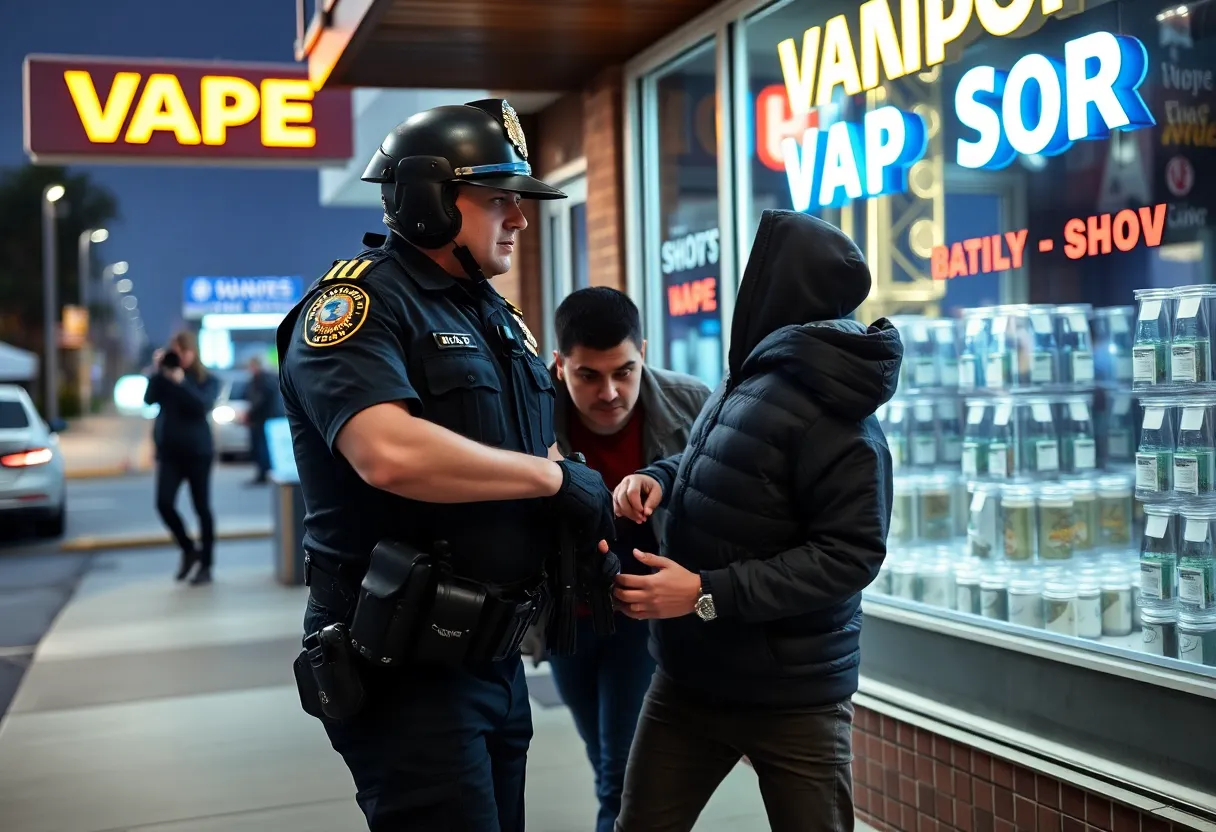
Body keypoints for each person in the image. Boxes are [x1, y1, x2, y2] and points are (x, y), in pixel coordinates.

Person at [276, 99, 617, 832]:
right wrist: (553, 480)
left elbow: (529, 445)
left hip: (489, 654)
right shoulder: (356, 306)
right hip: (404, 665)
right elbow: (388, 453)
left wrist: (581, 498)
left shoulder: (493, 316)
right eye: (500, 200)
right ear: (430, 201)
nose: (520, 220)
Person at [610, 209, 903, 832]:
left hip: (793, 699)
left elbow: (849, 557)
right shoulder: (756, 375)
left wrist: (704, 593)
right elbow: (714, 460)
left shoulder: (840, 415)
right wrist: (659, 480)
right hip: (691, 681)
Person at [525, 286, 709, 832]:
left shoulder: (693, 403)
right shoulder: (529, 415)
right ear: (560, 366)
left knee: (623, 777)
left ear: (644, 351)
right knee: (606, 757)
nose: (610, 392)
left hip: (646, 621)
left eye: (624, 371)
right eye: (588, 376)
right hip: (567, 619)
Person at [143, 330, 220, 586]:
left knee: (202, 508)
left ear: (192, 352)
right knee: (163, 504)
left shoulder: (206, 379)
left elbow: (201, 406)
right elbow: (148, 399)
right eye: (174, 351)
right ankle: (189, 549)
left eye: (182, 351)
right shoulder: (164, 377)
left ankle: (206, 565)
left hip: (198, 453)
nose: (179, 357)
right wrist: (158, 371)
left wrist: (180, 381)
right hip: (170, 455)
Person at [243, 356, 279, 485]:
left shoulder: (263, 379)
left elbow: (262, 400)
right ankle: (263, 473)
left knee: (262, 448)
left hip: (263, 419)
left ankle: (264, 474)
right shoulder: (261, 379)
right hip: (262, 419)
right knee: (261, 448)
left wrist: (251, 413)